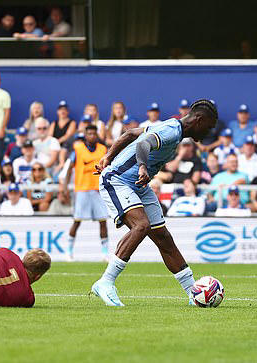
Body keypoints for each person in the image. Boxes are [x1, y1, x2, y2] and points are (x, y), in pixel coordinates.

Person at [91, 99, 218, 307]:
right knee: (141, 226)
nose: (209, 132)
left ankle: (192, 292)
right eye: (209, 127)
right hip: (118, 180)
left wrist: (108, 155)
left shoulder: (170, 127)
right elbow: (142, 143)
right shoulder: (171, 130)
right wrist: (141, 167)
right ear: (199, 120)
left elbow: (132, 133)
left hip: (139, 185)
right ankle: (105, 282)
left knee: (163, 237)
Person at [60, 125, 109, 261]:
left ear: (97, 134)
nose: (92, 136)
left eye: (94, 133)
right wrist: (64, 186)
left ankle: (105, 253)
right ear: (85, 135)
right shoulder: (77, 149)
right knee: (77, 221)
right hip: (82, 189)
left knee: (103, 221)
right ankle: (69, 252)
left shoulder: (103, 149)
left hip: (98, 189)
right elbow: (69, 167)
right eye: (89, 134)